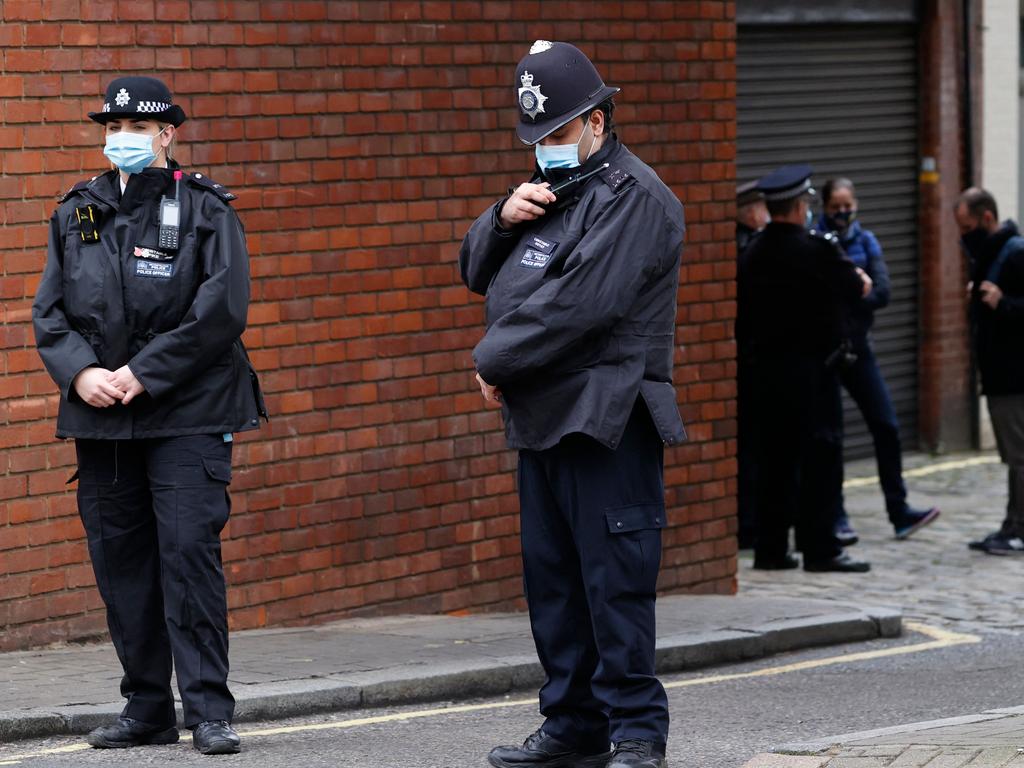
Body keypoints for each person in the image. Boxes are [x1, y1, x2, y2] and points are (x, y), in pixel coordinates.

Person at [459, 40, 685, 768]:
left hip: (608, 417)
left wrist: (494, 360)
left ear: (596, 119)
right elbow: (473, 270)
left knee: (613, 585)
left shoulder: (635, 198)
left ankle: (636, 733)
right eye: (536, 138)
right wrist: (501, 215)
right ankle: (572, 725)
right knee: (553, 586)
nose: (546, 149)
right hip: (542, 418)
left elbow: (578, 306)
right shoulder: (555, 190)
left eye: (556, 134)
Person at [32, 76, 266, 755]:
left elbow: (222, 309)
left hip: (188, 412)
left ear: (168, 135)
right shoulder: (78, 210)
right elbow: (49, 312)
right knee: (123, 565)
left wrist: (144, 372)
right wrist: (82, 373)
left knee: (188, 556)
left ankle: (209, 711)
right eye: (112, 129)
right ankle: (146, 707)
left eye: (136, 129)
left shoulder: (205, 210)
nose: (121, 140)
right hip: (103, 419)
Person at [738, 164, 872, 573]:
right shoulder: (817, 249)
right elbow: (857, 289)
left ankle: (771, 549)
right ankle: (820, 549)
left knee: (774, 462)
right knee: (820, 459)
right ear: (799, 207)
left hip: (765, 373)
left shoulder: (753, 251)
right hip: (813, 373)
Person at [817, 178, 939, 545]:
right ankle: (835, 517)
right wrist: (855, 287)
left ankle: (899, 511)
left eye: (847, 205)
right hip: (826, 352)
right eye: (835, 206)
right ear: (824, 207)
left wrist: (854, 292)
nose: (842, 213)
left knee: (886, 424)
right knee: (831, 437)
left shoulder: (866, 241)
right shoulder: (817, 242)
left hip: (859, 349)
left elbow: (883, 292)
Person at [954, 188, 1024, 555]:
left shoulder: (1014, 252)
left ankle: (1019, 530)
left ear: (986, 218)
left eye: (967, 227)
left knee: (1020, 457)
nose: (964, 236)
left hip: (1015, 376)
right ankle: (1011, 525)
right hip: (1000, 374)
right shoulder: (992, 254)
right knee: (1015, 458)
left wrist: (1003, 303)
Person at [736, 181, 769, 549]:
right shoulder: (750, 248)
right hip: (753, 362)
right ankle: (750, 525)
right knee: (753, 451)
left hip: (751, 360)